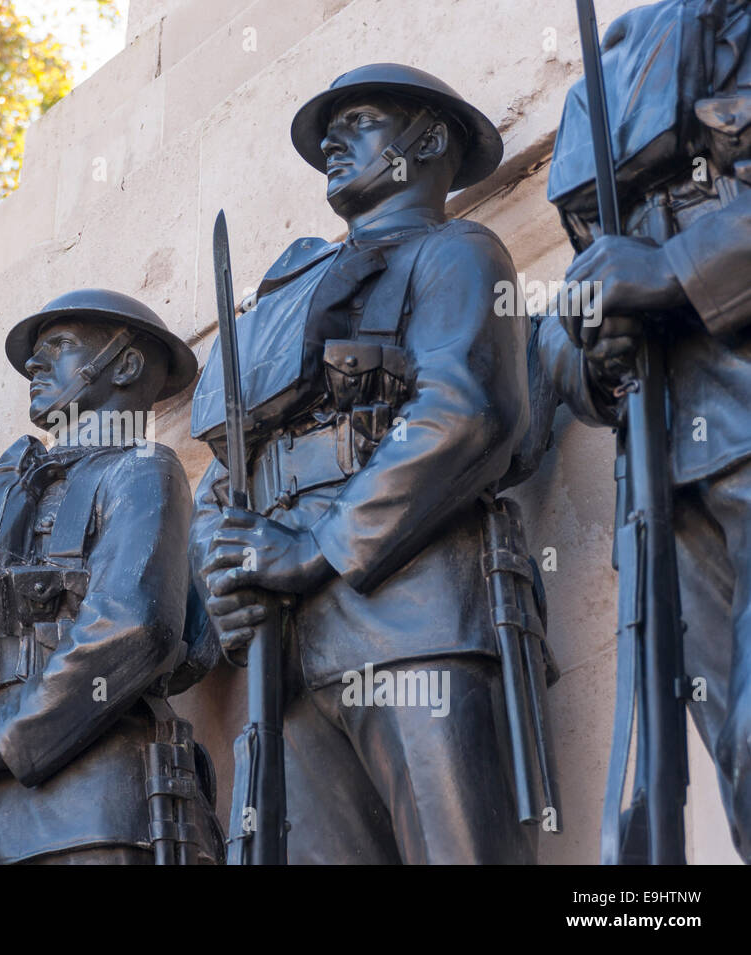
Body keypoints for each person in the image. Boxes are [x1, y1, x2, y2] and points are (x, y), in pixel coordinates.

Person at [188, 64, 549, 863]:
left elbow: (465, 413)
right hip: (282, 653)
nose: (331, 144)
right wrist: (219, 571)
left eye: (358, 123)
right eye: (329, 131)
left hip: (412, 617)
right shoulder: (282, 304)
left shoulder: (457, 253)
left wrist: (313, 547)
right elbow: (221, 476)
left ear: (427, 140)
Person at [0, 289, 222, 864]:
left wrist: (1, 739)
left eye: (61, 346)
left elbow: (133, 624)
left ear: (126, 364)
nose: (34, 365)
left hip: (94, 810)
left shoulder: (141, 470)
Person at [538, 0, 751, 859]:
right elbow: (556, 314)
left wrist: (671, 268)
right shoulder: (608, 74)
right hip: (668, 467)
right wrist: (593, 342)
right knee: (729, 754)